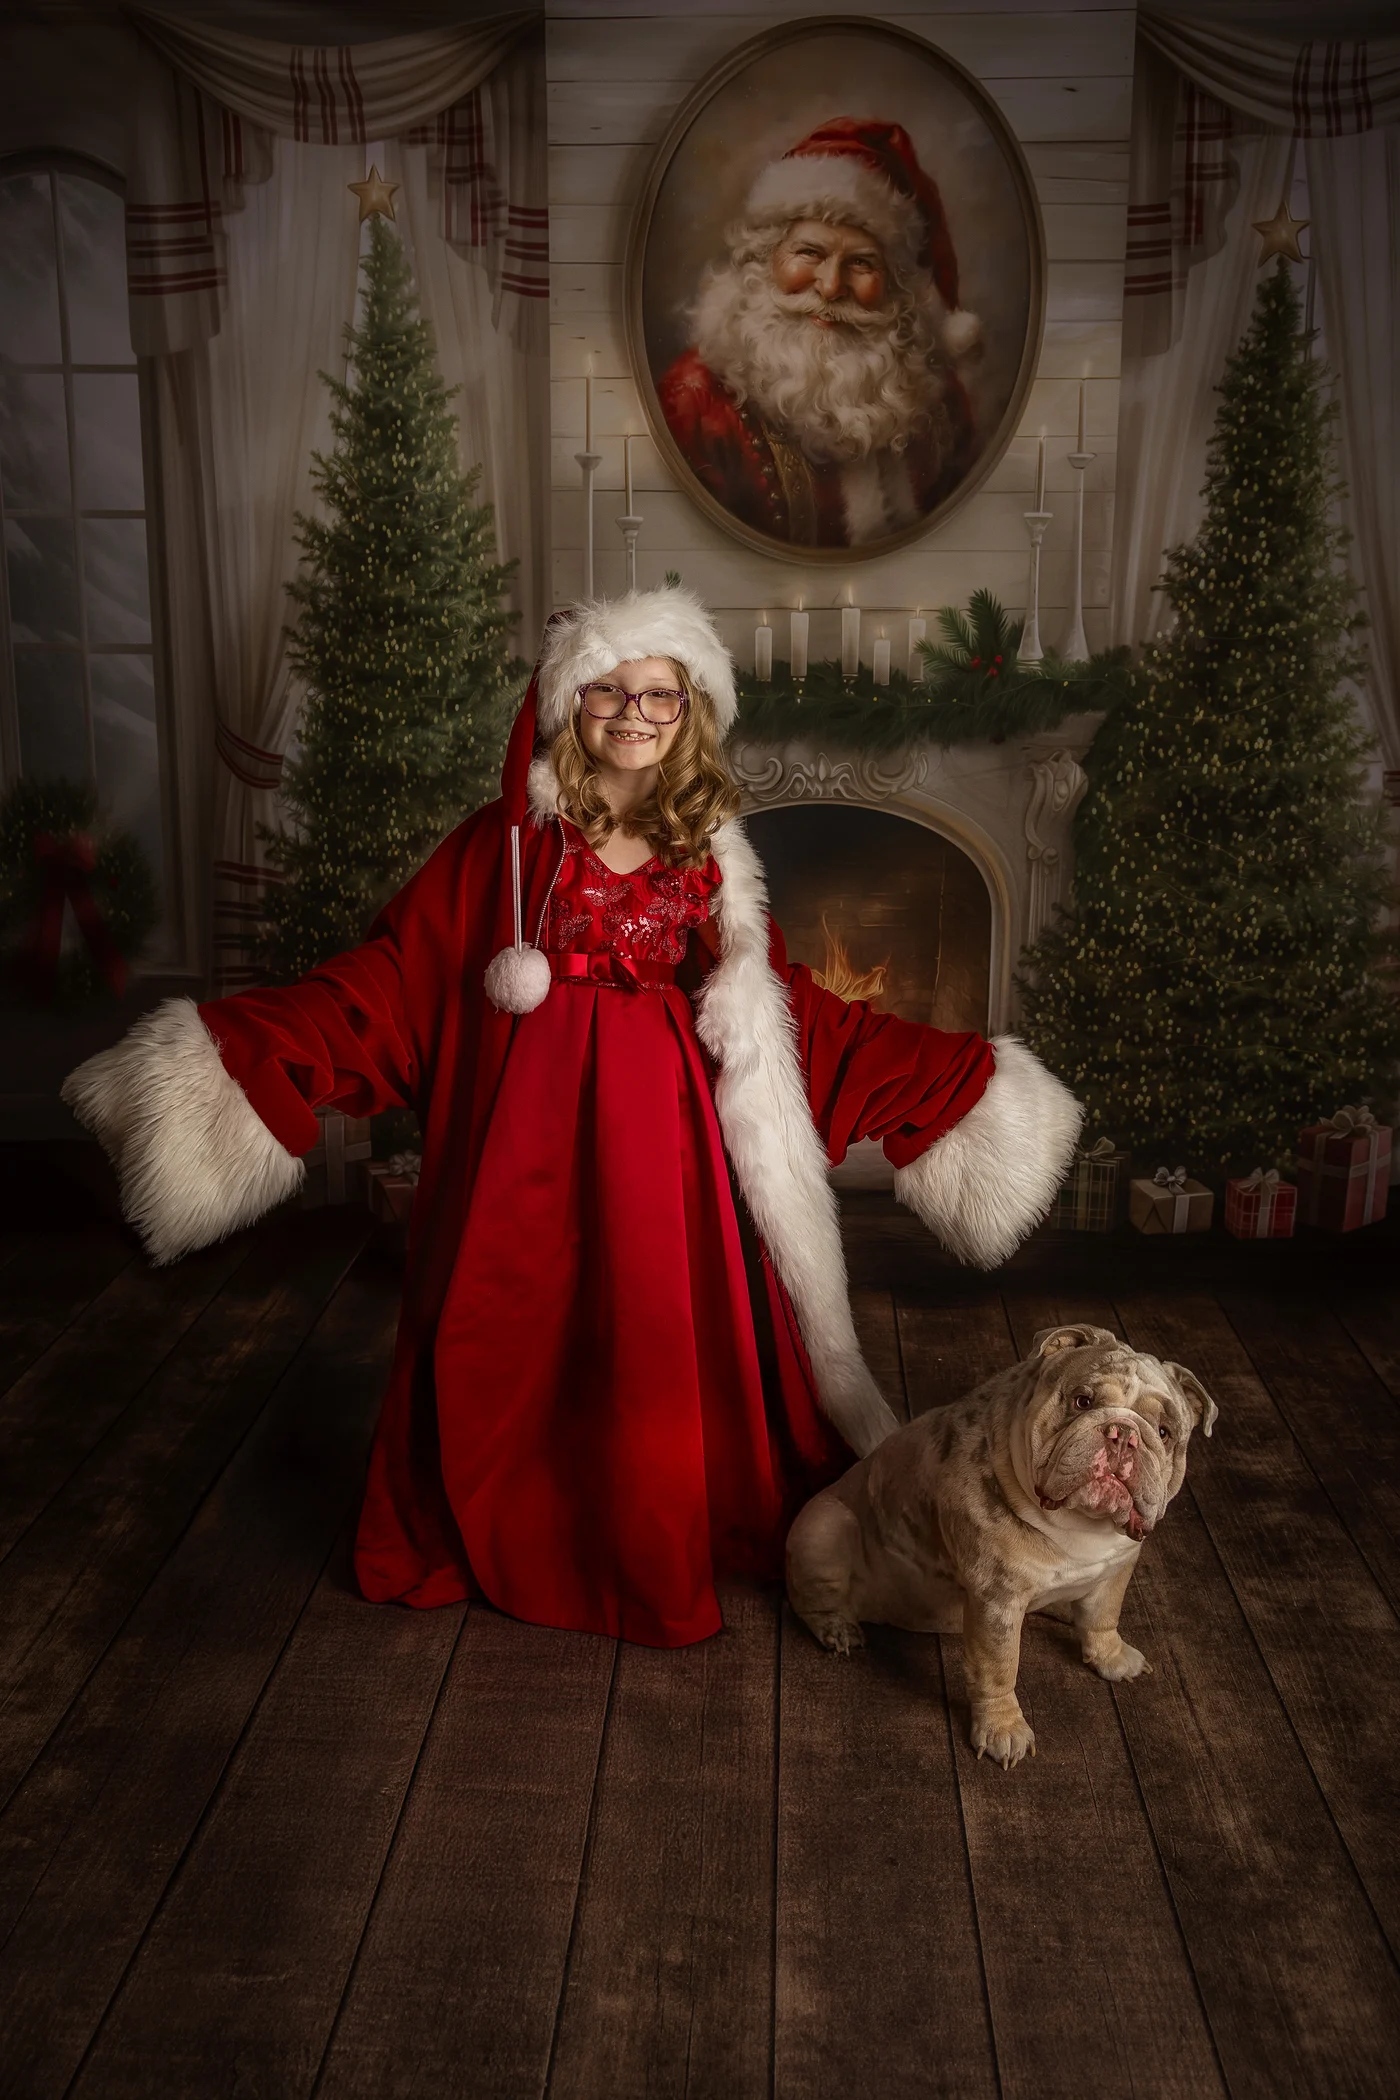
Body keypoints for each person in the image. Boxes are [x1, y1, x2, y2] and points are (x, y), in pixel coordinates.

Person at [63, 587, 1080, 1650]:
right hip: (530, 1126)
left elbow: (784, 1015)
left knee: (647, 1311)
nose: (633, 713)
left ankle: (648, 1525)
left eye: (658, 694)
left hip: (663, 1133)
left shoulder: (707, 850)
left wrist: (952, 1085)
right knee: (522, 1309)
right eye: (607, 689)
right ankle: (532, 1515)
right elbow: (400, 978)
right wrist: (236, 1061)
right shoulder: (504, 844)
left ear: (689, 712)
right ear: (565, 703)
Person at [657, 118, 983, 547]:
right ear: (764, 257)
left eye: (862, 262)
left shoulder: (939, 400)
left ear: (895, 284)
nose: (830, 287)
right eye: (809, 252)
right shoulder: (694, 401)